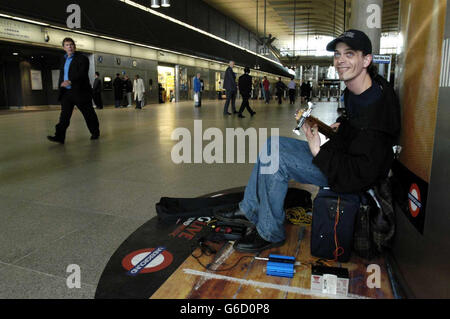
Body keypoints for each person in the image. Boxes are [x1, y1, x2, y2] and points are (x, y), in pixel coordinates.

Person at [215, 29, 401, 253]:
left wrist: (318, 152)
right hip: (343, 157)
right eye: (338, 54)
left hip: (353, 178)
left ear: (366, 60)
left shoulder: (377, 116)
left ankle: (270, 232)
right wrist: (341, 126)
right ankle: (250, 208)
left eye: (349, 54)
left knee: (279, 160)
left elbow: (357, 175)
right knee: (273, 145)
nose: (340, 60)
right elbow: (355, 125)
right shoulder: (360, 88)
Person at [47, 38, 99, 144]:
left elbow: (82, 73)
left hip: (80, 92)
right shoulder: (63, 59)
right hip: (67, 93)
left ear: (74, 46)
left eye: (71, 45)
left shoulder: (82, 58)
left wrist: (70, 81)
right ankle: (59, 137)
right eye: (67, 45)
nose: (69, 47)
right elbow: (62, 75)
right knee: (64, 116)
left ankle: (95, 132)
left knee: (88, 114)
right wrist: (61, 87)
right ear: (64, 47)